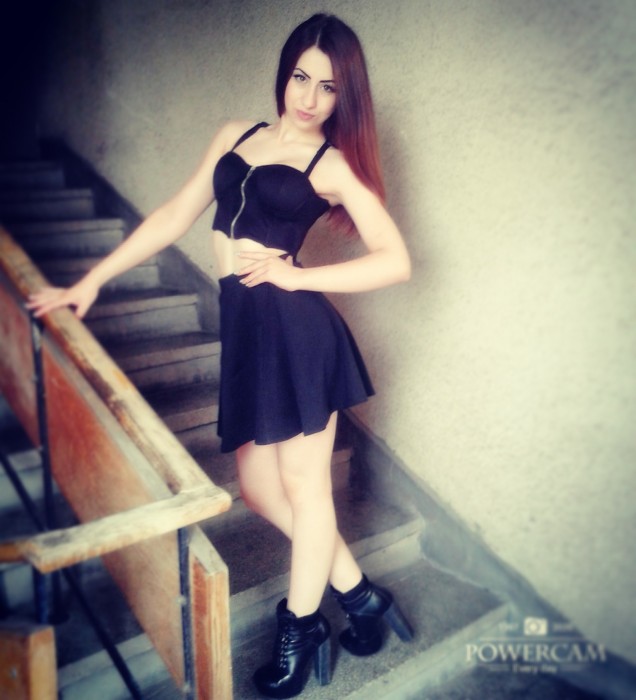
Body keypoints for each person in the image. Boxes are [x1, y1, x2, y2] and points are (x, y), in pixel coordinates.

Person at [28, 13, 412, 699]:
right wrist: (91, 280)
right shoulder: (237, 134)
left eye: (328, 87)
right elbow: (174, 214)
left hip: (297, 333)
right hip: (248, 332)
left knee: (305, 489)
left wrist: (298, 277)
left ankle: (301, 628)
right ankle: (360, 596)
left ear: (344, 97)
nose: (309, 97)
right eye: (301, 77)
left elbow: (396, 260)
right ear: (285, 72)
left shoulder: (332, 165)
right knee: (259, 489)